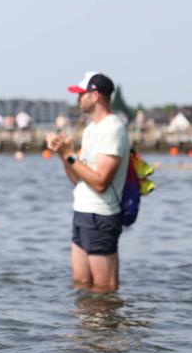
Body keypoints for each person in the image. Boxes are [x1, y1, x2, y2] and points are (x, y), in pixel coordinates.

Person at [46, 72, 130, 293]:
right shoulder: (91, 129)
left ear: (95, 95)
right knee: (81, 286)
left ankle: (108, 319)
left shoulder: (113, 129)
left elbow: (101, 182)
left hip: (101, 215)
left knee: (104, 290)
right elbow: (77, 179)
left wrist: (70, 155)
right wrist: (63, 155)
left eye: (81, 94)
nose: (78, 99)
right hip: (82, 212)